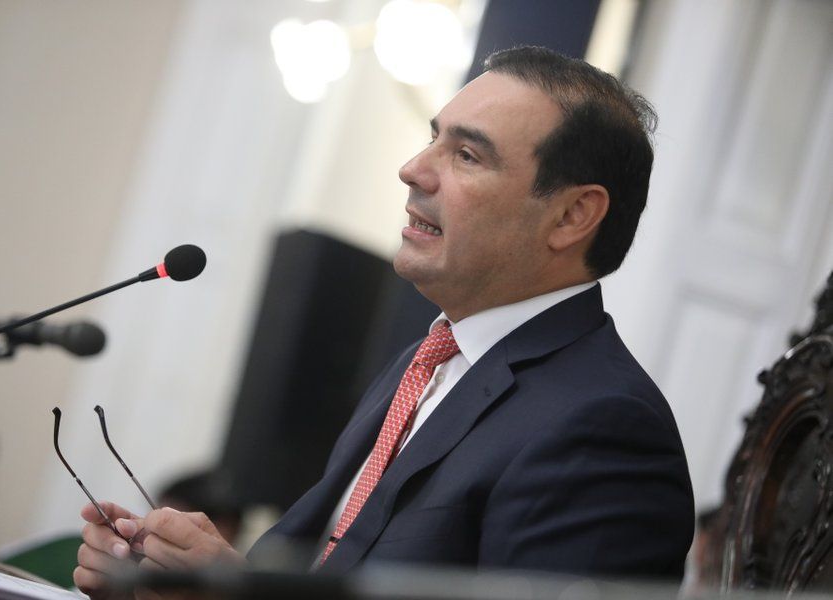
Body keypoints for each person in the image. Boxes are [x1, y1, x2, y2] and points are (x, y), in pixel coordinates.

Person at [73, 46, 694, 596]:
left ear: (571, 216)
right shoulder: (427, 361)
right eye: (433, 139)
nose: (413, 169)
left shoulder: (606, 428)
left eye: (467, 155)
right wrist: (171, 582)